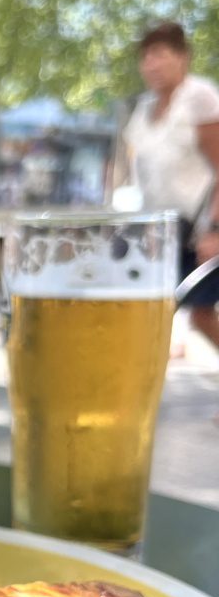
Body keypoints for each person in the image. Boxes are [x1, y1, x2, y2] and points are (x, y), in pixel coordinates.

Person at [124, 21, 219, 354]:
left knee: (202, 316)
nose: (152, 64)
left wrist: (216, 230)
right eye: (146, 56)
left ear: (183, 58)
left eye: (161, 54)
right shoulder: (144, 109)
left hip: (200, 231)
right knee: (160, 310)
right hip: (160, 234)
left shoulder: (199, 98)